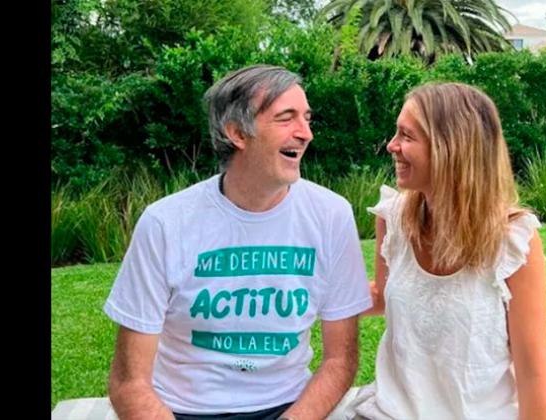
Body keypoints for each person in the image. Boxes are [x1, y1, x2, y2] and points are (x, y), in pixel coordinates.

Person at [104, 64, 372, 420]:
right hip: (180, 411)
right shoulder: (165, 223)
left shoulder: (331, 215)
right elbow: (129, 382)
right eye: (285, 118)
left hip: (291, 407)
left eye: (307, 118)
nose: (305, 133)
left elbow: (340, 360)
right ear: (237, 133)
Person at [334, 82, 546, 419]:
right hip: (390, 411)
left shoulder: (512, 241)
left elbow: (532, 372)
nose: (392, 145)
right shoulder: (393, 219)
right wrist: (308, 295)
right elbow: (380, 295)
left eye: (407, 136)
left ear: (451, 147)